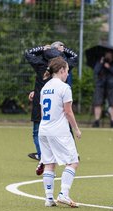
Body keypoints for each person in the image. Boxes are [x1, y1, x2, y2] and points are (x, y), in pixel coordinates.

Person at [25, 41, 78, 175]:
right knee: (72, 157)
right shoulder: (63, 72)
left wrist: (42, 48)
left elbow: (28, 53)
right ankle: (63, 193)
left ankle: (43, 157)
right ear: (62, 69)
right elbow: (75, 57)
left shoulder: (40, 65)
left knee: (38, 131)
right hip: (58, 114)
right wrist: (64, 50)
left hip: (43, 112)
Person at [39, 56, 81, 208]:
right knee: (73, 161)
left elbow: (43, 112)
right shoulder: (64, 88)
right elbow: (68, 112)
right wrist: (76, 129)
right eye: (67, 71)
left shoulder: (45, 87)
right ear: (62, 70)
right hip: (59, 131)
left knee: (49, 163)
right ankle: (63, 193)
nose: (68, 74)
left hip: (43, 130)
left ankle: (49, 198)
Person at [92, 51, 113, 128]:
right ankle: (97, 121)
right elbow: (96, 71)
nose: (107, 55)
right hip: (100, 85)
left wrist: (109, 67)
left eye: (109, 54)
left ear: (112, 54)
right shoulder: (100, 61)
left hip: (111, 85)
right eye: (106, 54)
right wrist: (101, 63)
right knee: (97, 103)